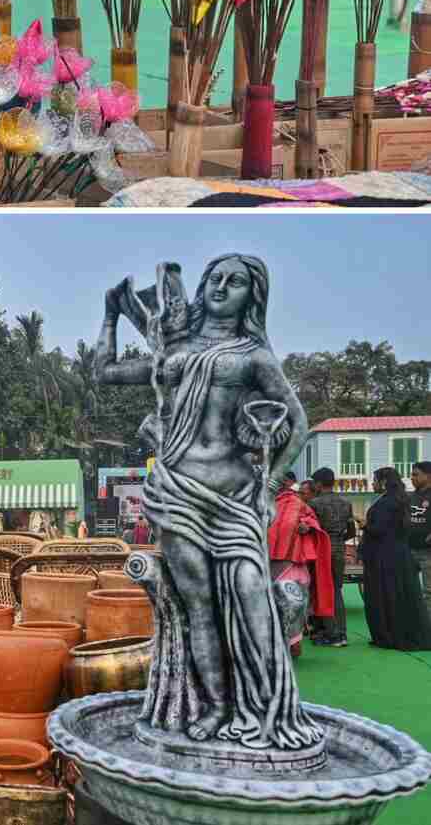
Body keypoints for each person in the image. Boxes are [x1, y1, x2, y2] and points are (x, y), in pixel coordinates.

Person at [95, 254, 320, 749]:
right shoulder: (173, 353)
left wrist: (269, 483)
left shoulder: (253, 355)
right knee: (199, 606)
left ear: (252, 295)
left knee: (250, 593)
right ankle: (217, 705)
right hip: (176, 492)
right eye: (214, 278)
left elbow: (298, 423)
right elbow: (105, 373)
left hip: (235, 494)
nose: (220, 287)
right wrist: (112, 315)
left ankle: (267, 705)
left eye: (234, 281)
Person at [362, 466, 431, 651]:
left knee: (389, 595)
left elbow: (380, 530)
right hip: (399, 553)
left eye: (375, 479)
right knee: (401, 594)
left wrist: (364, 525)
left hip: (387, 556)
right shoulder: (399, 499)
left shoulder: (387, 502)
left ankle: (390, 634)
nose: (373, 483)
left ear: (384, 482)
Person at [268, 478, 334, 656]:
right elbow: (313, 525)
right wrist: (308, 527)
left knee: (274, 605)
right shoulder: (300, 506)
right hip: (292, 564)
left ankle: (281, 645)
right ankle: (293, 643)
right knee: (295, 604)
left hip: (271, 565)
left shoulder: (265, 504)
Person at [310, 467, 356, 647]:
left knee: (323, 591)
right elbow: (351, 530)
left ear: (319, 484)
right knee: (336, 590)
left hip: (322, 549)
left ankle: (331, 634)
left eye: (314, 483)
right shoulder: (346, 502)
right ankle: (341, 633)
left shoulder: (314, 504)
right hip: (339, 548)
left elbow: (311, 529)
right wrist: (339, 538)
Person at [409, 461, 431, 615]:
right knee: (409, 591)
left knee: (428, 593)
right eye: (412, 475)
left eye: (416, 474)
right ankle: (415, 629)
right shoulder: (411, 496)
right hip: (409, 550)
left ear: (428, 476)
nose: (412, 478)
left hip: (428, 552)